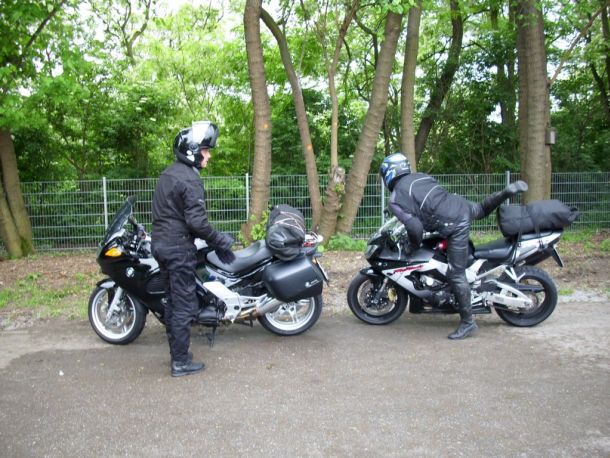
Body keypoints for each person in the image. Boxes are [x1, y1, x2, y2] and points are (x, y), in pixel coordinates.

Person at [380, 153, 528, 340]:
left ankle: (468, 323)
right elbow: (428, 203)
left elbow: (415, 228)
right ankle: (505, 192)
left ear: (389, 173)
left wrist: (412, 247)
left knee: (455, 274)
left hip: (454, 225)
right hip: (459, 205)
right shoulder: (421, 177)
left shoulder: (395, 199)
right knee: (481, 209)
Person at [152, 121, 236, 377]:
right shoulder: (189, 179)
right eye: (206, 150)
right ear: (192, 151)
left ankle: (178, 355)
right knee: (184, 306)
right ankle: (180, 363)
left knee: (172, 302)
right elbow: (197, 223)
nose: (208, 155)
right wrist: (220, 241)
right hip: (178, 249)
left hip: (161, 245)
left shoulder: (168, 174)